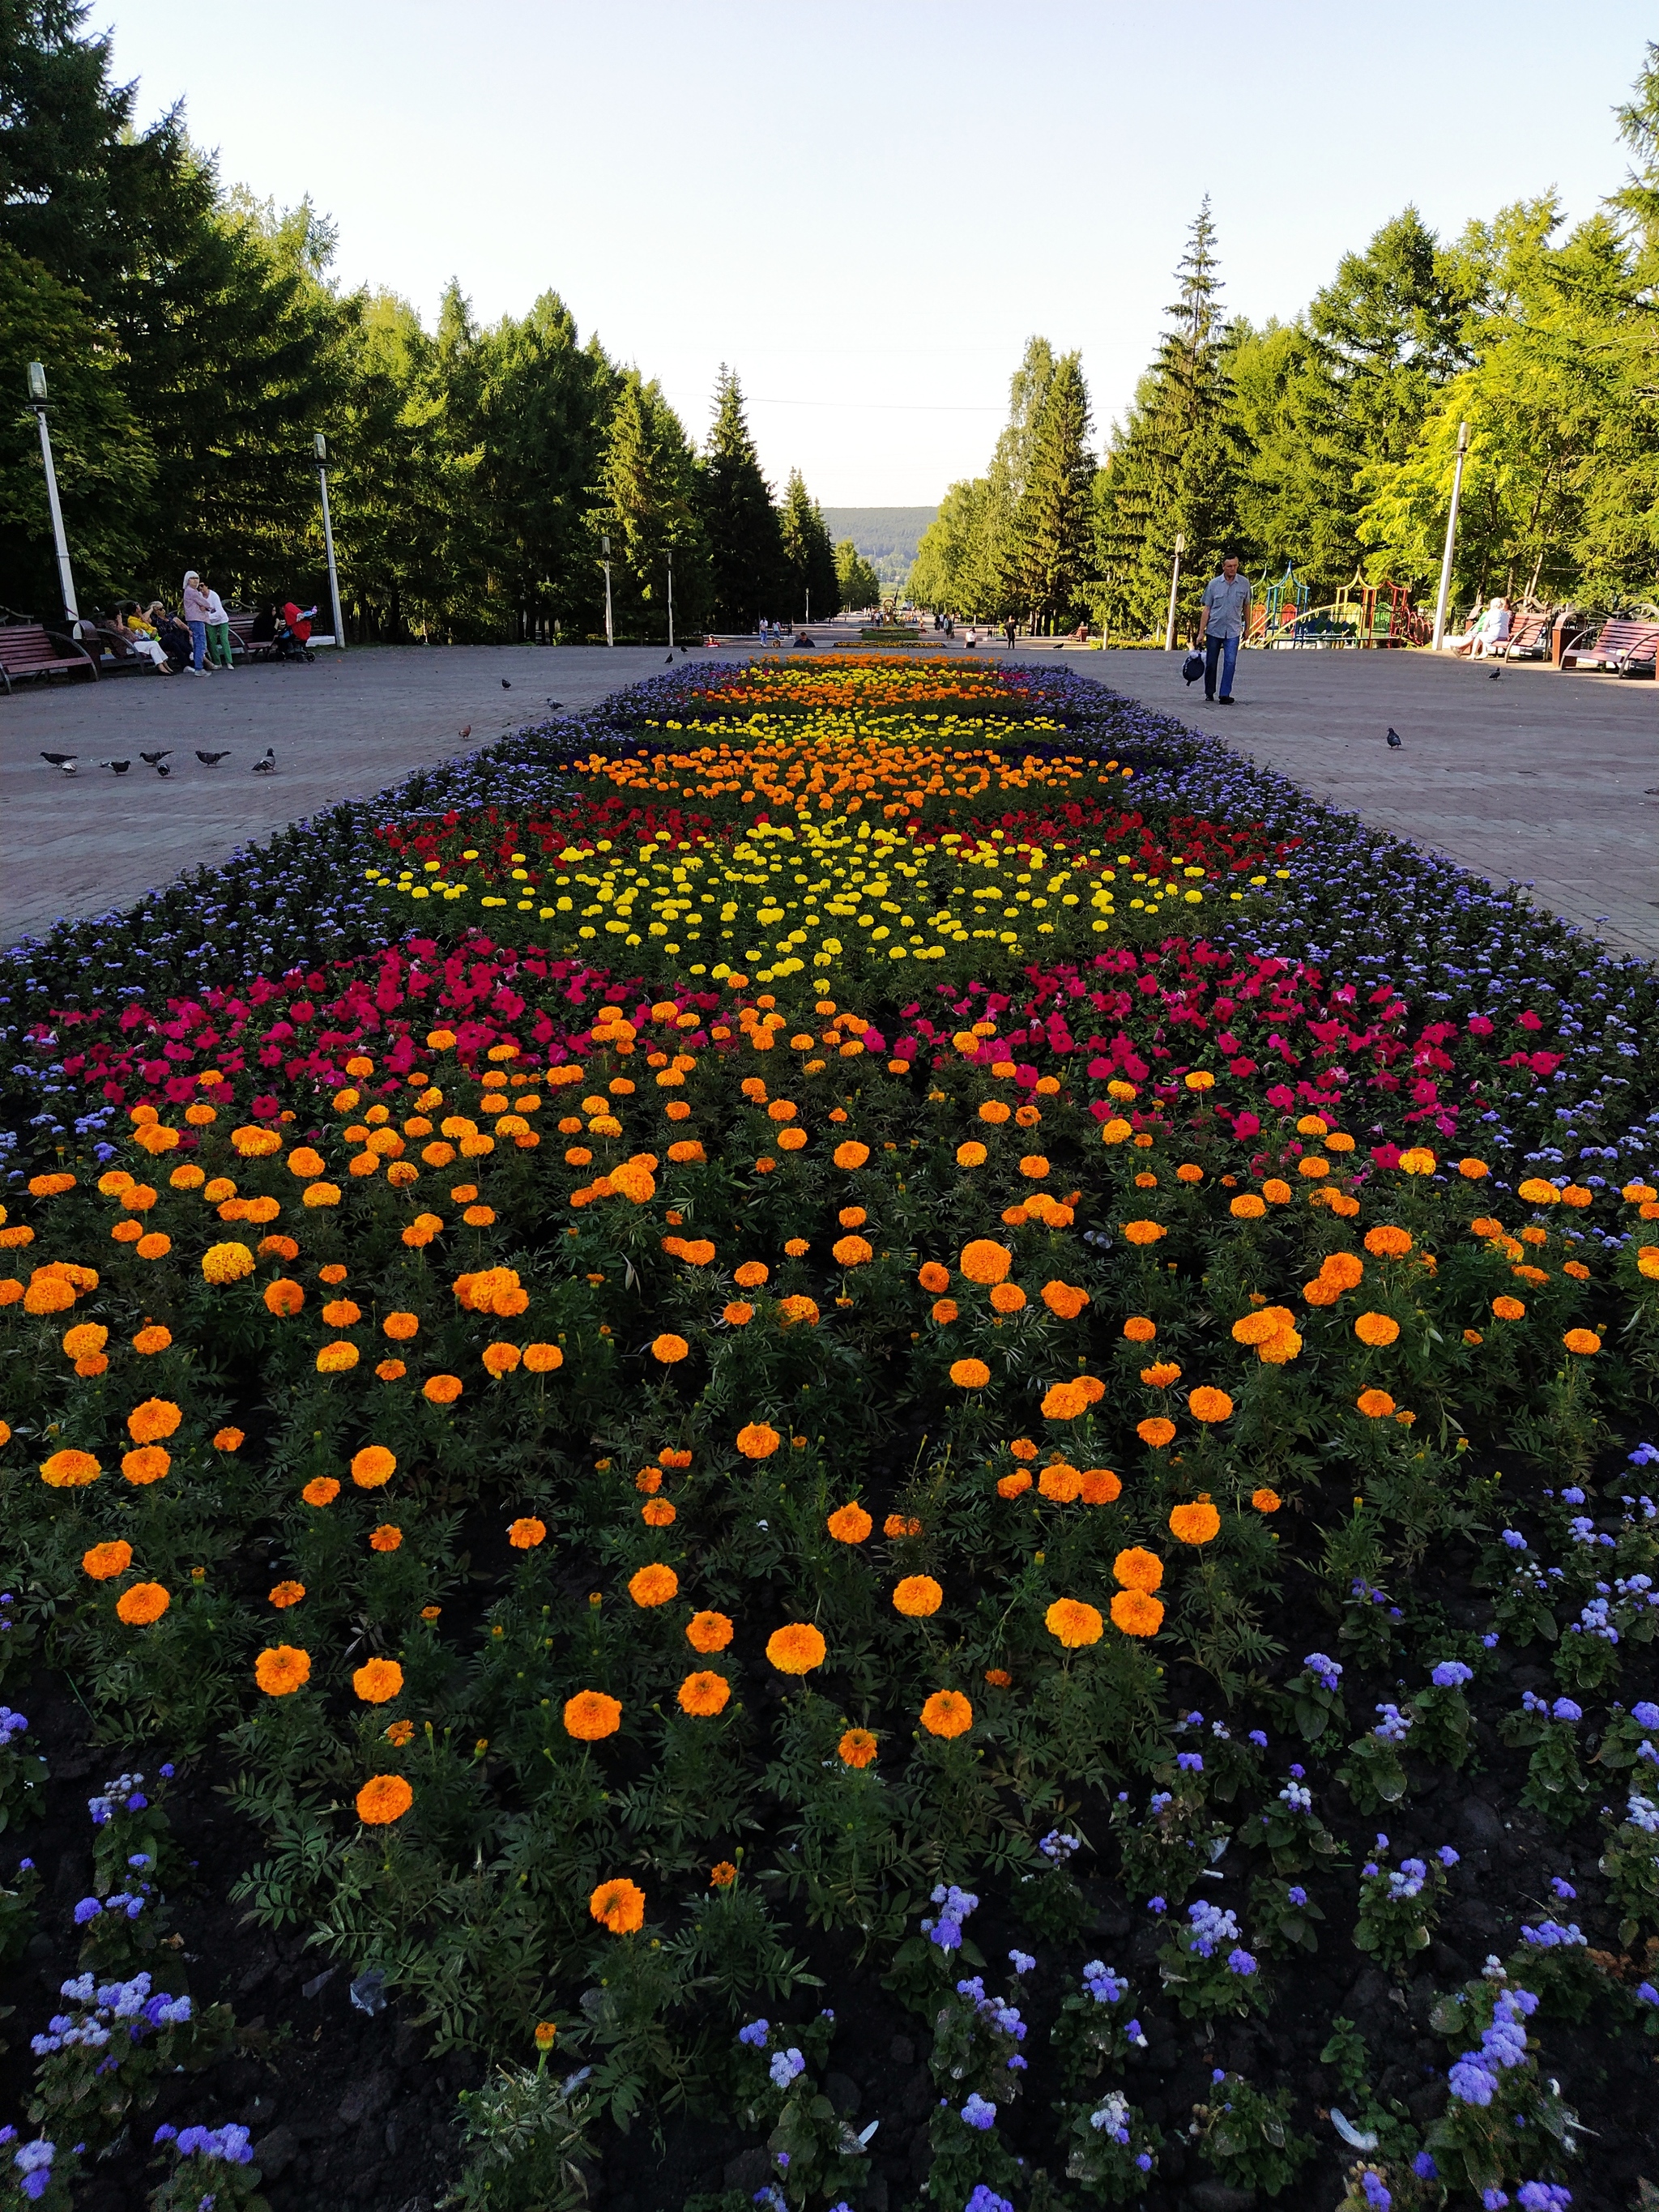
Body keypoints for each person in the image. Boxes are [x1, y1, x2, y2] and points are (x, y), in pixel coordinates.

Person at [1196, 551, 1251, 704]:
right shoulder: (1214, 585)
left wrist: (1248, 627)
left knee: (1230, 662)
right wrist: (1201, 632)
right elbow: (1207, 609)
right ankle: (1209, 692)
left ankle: (1225, 694)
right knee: (1212, 663)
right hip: (1214, 629)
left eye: (1235, 566)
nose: (1233, 569)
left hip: (1233, 630)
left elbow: (1247, 606)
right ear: (1223, 567)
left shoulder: (1244, 583)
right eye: (1229, 566)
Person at [181, 570, 211, 675]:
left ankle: (198, 666)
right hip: (197, 619)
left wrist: (204, 607)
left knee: (199, 643)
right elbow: (204, 603)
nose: (195, 580)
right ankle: (199, 668)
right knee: (200, 644)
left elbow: (202, 604)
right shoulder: (191, 591)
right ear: (187, 580)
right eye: (192, 578)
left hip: (195, 619)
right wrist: (208, 607)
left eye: (197, 578)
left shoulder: (191, 591)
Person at [203, 581, 235, 669]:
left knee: (224, 639)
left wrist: (208, 616)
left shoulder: (214, 596)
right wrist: (207, 617)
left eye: (202, 586)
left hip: (222, 620)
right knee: (212, 641)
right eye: (199, 587)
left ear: (207, 586)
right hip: (210, 622)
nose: (201, 589)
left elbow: (220, 612)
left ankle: (229, 662)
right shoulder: (199, 597)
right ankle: (217, 662)